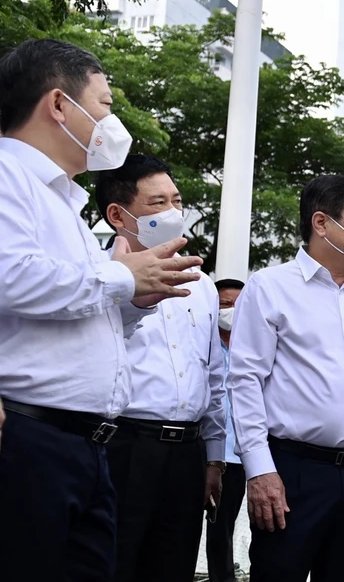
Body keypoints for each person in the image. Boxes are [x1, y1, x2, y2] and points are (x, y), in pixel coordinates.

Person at [0, 39, 204, 581]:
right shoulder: (7, 175)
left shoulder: (63, 199)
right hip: (30, 437)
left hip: (86, 445)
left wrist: (133, 301)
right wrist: (122, 276)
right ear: (59, 105)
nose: (111, 121)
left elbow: (72, 306)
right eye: (106, 104)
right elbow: (10, 278)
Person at [228, 175, 344, 582]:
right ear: (322, 223)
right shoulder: (270, 287)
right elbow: (245, 380)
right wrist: (259, 469)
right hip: (293, 471)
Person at [94, 155, 226, 582]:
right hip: (123, 446)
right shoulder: (96, 277)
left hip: (186, 454)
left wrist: (214, 458)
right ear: (119, 214)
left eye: (177, 200)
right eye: (157, 203)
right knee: (112, 563)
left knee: (173, 566)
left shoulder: (202, 284)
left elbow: (214, 376)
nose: (173, 213)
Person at [205, 278, 248, 582]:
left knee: (224, 525)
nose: (230, 310)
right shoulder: (204, 343)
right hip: (205, 446)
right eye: (224, 304)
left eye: (237, 305)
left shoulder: (252, 346)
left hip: (239, 452)